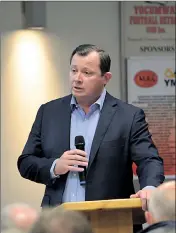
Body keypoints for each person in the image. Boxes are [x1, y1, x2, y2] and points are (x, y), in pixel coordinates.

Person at [17, 44, 164, 232]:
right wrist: (55, 166)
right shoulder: (49, 112)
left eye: (87, 73)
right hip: (58, 224)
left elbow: (149, 159)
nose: (77, 79)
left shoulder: (128, 116)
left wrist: (150, 187)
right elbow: (26, 162)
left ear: (106, 78)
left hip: (111, 221)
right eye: (73, 70)